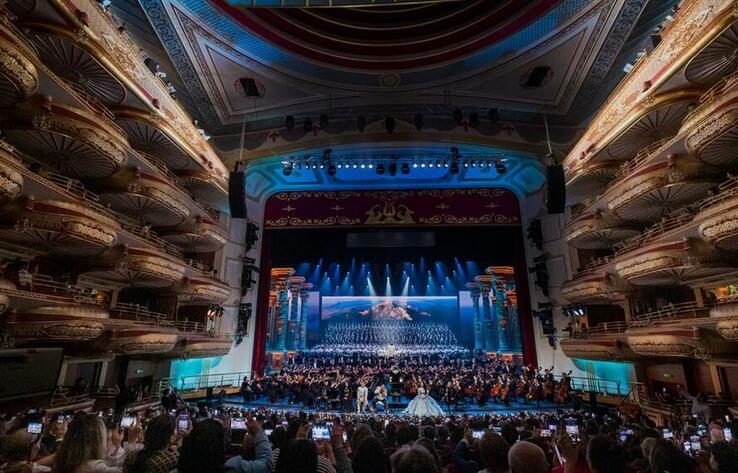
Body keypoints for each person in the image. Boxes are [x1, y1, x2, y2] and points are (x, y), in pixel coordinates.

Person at [53, 413, 122, 473]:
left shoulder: (63, 459)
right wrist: (131, 441)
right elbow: (129, 469)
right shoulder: (94, 466)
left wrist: (116, 446)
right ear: (97, 440)